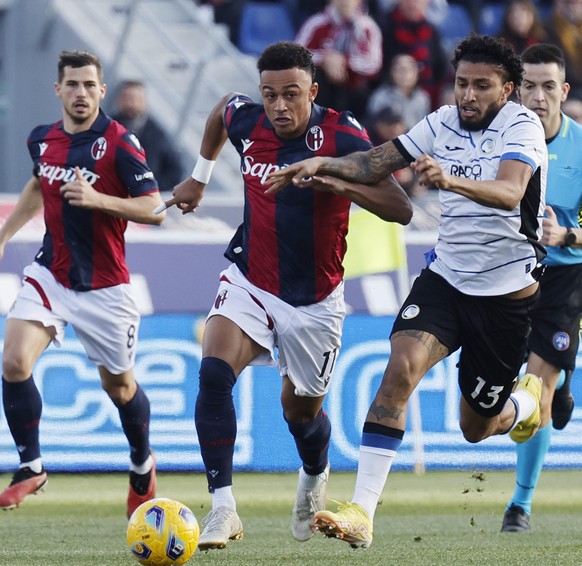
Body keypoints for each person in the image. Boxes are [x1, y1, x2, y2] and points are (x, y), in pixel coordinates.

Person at [266, 34, 547, 548]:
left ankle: (527, 407)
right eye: (462, 83)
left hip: (506, 295)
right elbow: (377, 162)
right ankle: (362, 512)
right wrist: (323, 164)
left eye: (481, 86)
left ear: (507, 89)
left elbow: (510, 192)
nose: (467, 95)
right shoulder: (440, 121)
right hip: (446, 280)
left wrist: (451, 181)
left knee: (476, 427)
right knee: (400, 366)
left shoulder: (522, 127)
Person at [158, 41, 412, 550]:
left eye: (291, 94)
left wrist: (333, 174)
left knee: (300, 415)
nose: (278, 106)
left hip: (315, 303)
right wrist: (199, 177)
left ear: (312, 91)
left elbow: (399, 207)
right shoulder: (247, 120)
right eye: (269, 94)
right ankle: (223, 508)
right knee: (212, 374)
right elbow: (219, 112)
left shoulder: (342, 133)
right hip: (251, 280)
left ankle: (314, 471)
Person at [0, 51, 164, 517]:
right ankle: (31, 466)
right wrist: (6, 233)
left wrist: (98, 199)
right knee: (13, 361)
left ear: (101, 90)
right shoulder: (43, 139)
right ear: (58, 90)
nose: (81, 93)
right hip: (51, 273)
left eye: (90, 85)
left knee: (120, 388)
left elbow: (154, 208)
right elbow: (39, 184)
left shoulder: (120, 142)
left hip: (106, 289)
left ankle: (141, 461)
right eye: (72, 85)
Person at [501, 43, 582, 533]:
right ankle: (566, 380)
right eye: (527, 85)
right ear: (515, 90)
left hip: (565, 276)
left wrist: (568, 235)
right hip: (509, 273)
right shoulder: (498, 141)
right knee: (501, 388)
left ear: (563, 91)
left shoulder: (581, 148)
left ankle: (520, 505)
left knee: (536, 391)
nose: (537, 96)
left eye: (547, 86)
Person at [295, 0, 383, 120]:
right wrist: (325, 59)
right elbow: (296, 54)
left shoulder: (368, 27)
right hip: (322, 84)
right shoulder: (316, 23)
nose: (346, 2)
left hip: (353, 87)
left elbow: (374, 63)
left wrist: (344, 62)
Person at [112, 80, 184, 192]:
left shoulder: (157, 134)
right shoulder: (107, 128)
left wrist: (154, 189)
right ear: (118, 101)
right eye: (127, 98)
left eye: (136, 99)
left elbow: (174, 169)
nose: (131, 103)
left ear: (144, 102)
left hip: (147, 199)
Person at [379, 0, 449, 109]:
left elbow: (440, 69)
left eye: (418, 1)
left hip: (427, 96)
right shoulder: (385, 28)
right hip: (392, 97)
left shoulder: (432, 31)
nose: (413, 4)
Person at [366, 53, 431, 131]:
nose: (404, 74)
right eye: (399, 69)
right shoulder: (380, 97)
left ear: (417, 73)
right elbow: (373, 127)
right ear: (392, 72)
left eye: (409, 69)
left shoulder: (423, 98)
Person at [544, 0, 582, 100]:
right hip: (565, 88)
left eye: (576, 3)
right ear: (558, 3)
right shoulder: (546, 29)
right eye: (567, 3)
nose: (572, 8)